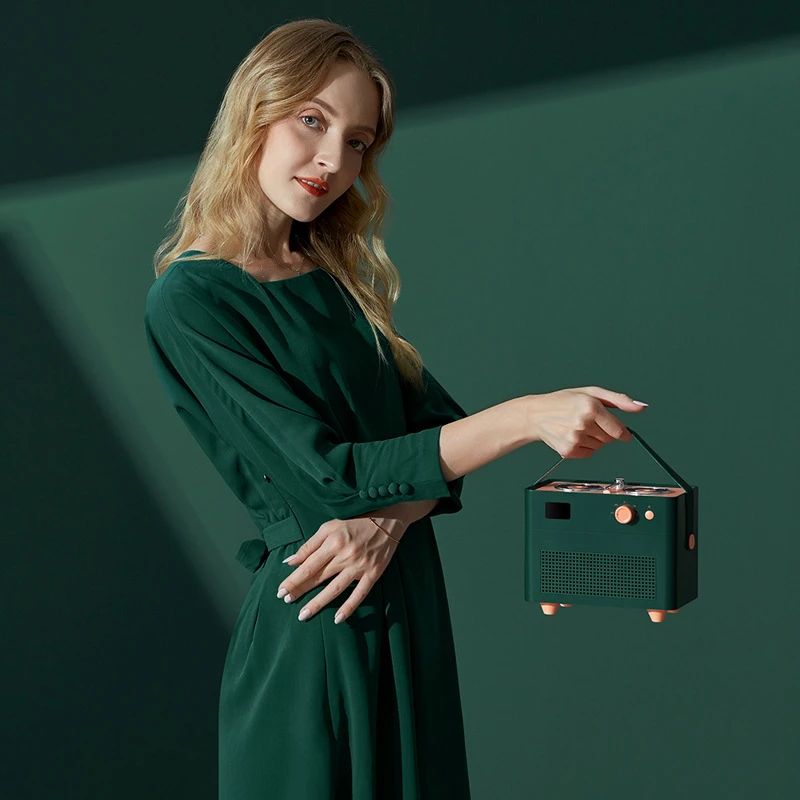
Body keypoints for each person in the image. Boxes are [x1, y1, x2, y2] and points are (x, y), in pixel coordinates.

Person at [143, 18, 648, 799]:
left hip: (406, 607)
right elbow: (333, 477)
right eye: (313, 120)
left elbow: (434, 437)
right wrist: (525, 417)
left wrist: (388, 522)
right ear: (254, 110)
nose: (332, 160)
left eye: (357, 142)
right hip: (319, 621)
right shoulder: (192, 299)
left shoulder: (331, 278)